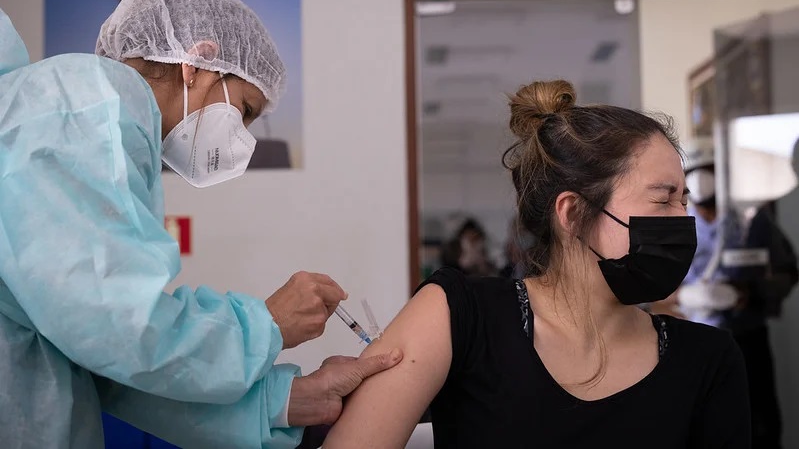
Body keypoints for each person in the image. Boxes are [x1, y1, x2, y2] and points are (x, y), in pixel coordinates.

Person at [0, 0, 400, 449]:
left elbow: (104, 358)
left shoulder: (100, 126)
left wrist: (285, 400)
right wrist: (268, 324)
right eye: (245, 110)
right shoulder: (81, 114)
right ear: (199, 61)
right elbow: (124, 328)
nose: (242, 136)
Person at [324, 80, 751, 448]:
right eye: (662, 200)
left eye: (684, 201)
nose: (682, 220)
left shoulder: (707, 358)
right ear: (572, 214)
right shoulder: (459, 315)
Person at [676, 138, 797, 449]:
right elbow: (645, 289)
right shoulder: (673, 223)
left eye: (709, 170)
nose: (702, 181)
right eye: (695, 172)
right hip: (689, 338)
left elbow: (787, 272)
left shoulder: (752, 220)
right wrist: (683, 298)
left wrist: (749, 292)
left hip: (747, 338)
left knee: (759, 424)